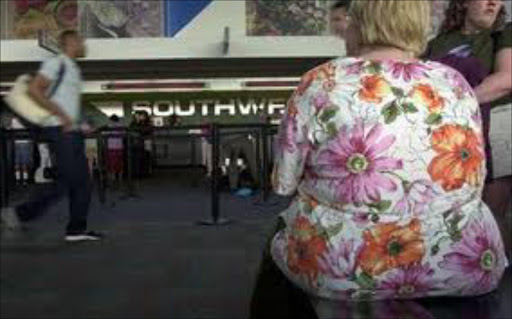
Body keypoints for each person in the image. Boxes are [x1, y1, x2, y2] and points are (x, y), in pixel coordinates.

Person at [250, 0, 507, 315]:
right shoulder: (455, 83)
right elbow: (473, 179)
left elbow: (284, 182)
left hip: (344, 270)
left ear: (358, 21)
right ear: (420, 24)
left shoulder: (321, 81)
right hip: (464, 265)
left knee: (279, 243)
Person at [425, 0, 511, 253]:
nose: (494, 2)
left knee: (491, 212)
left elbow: (506, 80)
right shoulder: (438, 42)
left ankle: (499, 277)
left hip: (497, 124)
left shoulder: (504, 33)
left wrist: (455, 103)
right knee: (451, 209)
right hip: (450, 136)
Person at [1, 30, 103, 242]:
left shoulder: (73, 68)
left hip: (71, 132)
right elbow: (35, 90)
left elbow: (66, 102)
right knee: (69, 182)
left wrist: (80, 123)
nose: (84, 44)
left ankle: (76, 230)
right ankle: (20, 214)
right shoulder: (57, 62)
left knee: (80, 182)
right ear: (70, 42)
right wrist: (63, 116)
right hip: (59, 131)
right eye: (81, 40)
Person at [106, 115, 124, 183]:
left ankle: (112, 177)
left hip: (111, 147)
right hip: (120, 147)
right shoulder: (121, 125)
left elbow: (105, 133)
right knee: (120, 162)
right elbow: (124, 134)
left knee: (112, 162)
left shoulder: (109, 125)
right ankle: (120, 177)